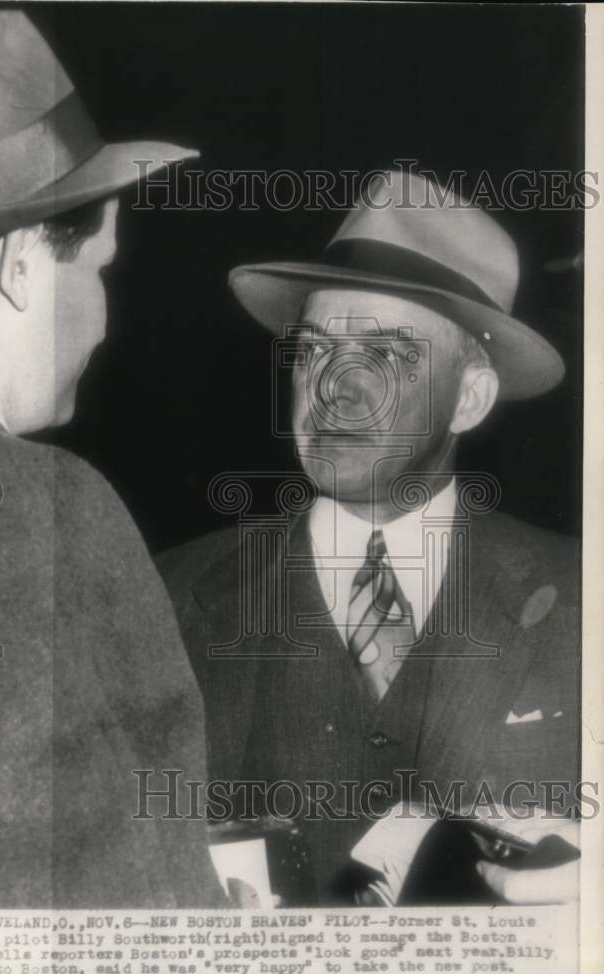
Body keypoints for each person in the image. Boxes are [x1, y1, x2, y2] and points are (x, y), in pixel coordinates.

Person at [159, 169, 580, 905]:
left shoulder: (587, 598)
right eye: (317, 349)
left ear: (470, 397)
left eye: (386, 355)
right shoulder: (163, 600)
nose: (335, 389)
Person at [0, 10, 222, 908]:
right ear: (19, 266)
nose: (103, 311)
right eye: (98, 266)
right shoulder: (12, 504)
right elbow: (90, 930)